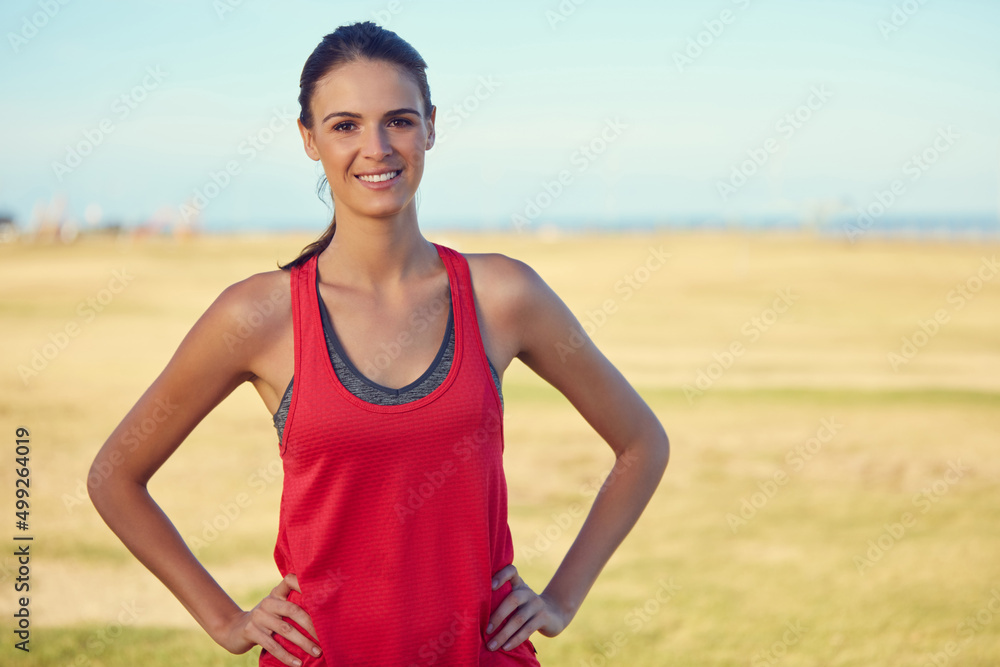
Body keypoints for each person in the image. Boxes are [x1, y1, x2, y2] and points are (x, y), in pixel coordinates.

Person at [88, 20, 670, 666]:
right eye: (344, 125)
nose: (376, 147)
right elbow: (116, 476)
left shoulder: (503, 295)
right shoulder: (260, 313)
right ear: (308, 139)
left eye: (398, 120)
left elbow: (641, 443)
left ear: (430, 127)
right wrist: (225, 618)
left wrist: (561, 598)